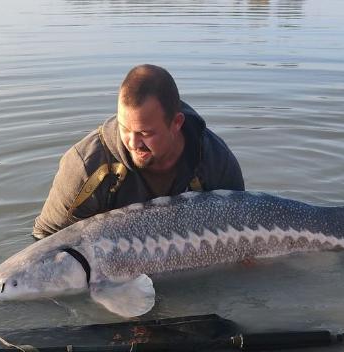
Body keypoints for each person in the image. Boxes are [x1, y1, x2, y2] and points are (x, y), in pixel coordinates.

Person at [32, 64, 245, 239]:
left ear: (176, 123)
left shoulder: (215, 161)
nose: (133, 142)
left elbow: (242, 227)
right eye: (125, 128)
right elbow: (45, 236)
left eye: (145, 133)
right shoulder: (86, 166)